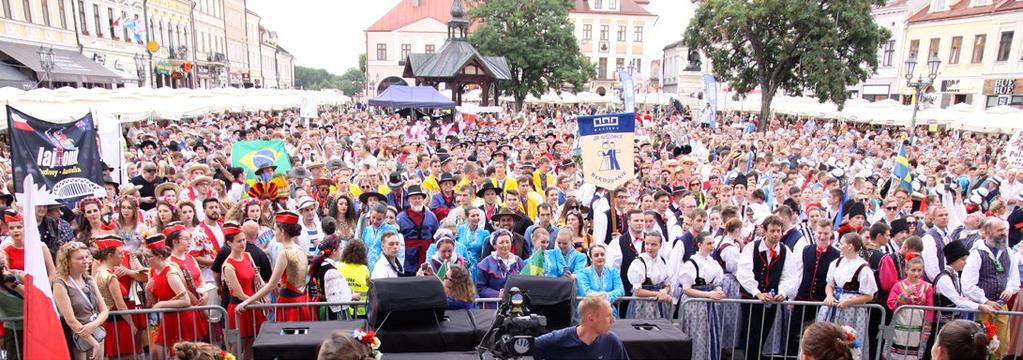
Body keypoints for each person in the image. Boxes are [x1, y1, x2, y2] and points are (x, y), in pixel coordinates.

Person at [736, 215, 800, 359]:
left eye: (779, 231)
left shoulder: (785, 251)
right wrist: (757, 293)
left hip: (771, 300)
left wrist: (783, 292)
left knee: (764, 332)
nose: (776, 234)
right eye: (772, 231)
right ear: (764, 231)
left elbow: (789, 276)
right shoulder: (752, 247)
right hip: (751, 299)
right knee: (752, 334)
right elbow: (744, 273)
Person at [236, 210, 315, 322]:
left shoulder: (284, 253)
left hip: (290, 304)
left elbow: (271, 285)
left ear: (282, 231)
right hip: (302, 300)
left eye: (276, 229)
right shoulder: (299, 249)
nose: (274, 232)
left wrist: (247, 302)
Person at [142, 233, 207, 359]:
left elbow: (186, 300)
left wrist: (162, 304)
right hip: (167, 319)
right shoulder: (152, 271)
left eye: (148, 257)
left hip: (182, 318)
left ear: (159, 256)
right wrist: (148, 291)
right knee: (158, 352)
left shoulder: (170, 273)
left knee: (184, 355)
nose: (145, 260)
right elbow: (153, 302)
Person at [960, 217, 1018, 358]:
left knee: (1003, 344)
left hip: (1001, 306)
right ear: (987, 232)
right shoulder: (977, 254)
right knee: (980, 344)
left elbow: (1014, 277)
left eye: (1004, 229)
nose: (1004, 232)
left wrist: (1009, 290)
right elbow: (967, 284)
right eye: (999, 230)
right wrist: (985, 300)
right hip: (982, 308)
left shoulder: (1008, 252)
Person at [816, 233, 877, 360]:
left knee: (848, 342)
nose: (839, 245)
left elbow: (869, 296)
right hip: (833, 306)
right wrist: (829, 296)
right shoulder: (836, 263)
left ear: (850, 246)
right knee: (827, 340)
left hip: (853, 311)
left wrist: (849, 302)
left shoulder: (863, 267)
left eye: (842, 243)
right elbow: (829, 284)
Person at [786, 219, 840, 356]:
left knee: (818, 337)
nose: (822, 237)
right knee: (795, 334)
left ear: (831, 234)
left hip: (821, 301)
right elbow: (797, 274)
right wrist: (792, 299)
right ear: (815, 233)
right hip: (802, 298)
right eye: (820, 233)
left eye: (826, 234)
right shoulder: (806, 250)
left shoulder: (836, 254)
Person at [53, 241, 109, 360]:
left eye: (86, 257)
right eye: (80, 258)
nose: (86, 261)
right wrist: (91, 341)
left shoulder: (89, 280)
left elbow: (104, 310)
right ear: (67, 262)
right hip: (77, 338)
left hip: (96, 332)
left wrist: (93, 325)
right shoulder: (60, 284)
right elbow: (71, 320)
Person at [532, 293, 629, 360]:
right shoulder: (559, 339)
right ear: (591, 318)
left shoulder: (612, 342)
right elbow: (525, 348)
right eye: (608, 315)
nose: (613, 320)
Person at [220, 222, 266, 359]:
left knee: (251, 346)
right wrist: (258, 303)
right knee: (235, 349)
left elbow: (256, 280)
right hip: (239, 307)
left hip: (252, 303)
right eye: (239, 241)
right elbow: (239, 293)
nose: (243, 243)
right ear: (229, 243)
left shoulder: (247, 256)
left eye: (244, 240)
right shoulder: (228, 265)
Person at [92, 235, 142, 358]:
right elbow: (120, 306)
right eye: (120, 253)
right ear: (110, 256)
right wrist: (132, 324)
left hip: (109, 323)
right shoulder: (111, 276)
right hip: (119, 325)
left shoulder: (99, 273)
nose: (123, 255)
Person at [679, 231, 726, 360]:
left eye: (713, 243)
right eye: (708, 243)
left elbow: (715, 283)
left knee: (710, 334)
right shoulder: (691, 264)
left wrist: (718, 290)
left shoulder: (712, 262)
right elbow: (686, 289)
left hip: (708, 305)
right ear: (700, 244)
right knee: (697, 335)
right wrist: (708, 294)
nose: (712, 246)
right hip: (695, 305)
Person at [885, 253, 933, 360]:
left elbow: (929, 310)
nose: (916, 273)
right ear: (906, 270)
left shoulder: (927, 287)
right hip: (901, 324)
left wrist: (926, 329)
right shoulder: (898, 285)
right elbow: (891, 305)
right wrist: (905, 294)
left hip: (918, 326)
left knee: (913, 354)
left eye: (919, 270)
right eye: (913, 270)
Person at [626, 231, 672, 319]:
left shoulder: (663, 261)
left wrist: (664, 291)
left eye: (654, 245)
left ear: (660, 245)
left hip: (660, 304)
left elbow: (667, 284)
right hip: (642, 305)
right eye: (647, 244)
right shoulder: (639, 262)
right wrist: (658, 294)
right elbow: (638, 291)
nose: (649, 248)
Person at [309, 237, 353, 320]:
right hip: (331, 311)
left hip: (324, 306)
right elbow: (335, 298)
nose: (341, 251)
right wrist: (352, 296)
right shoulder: (331, 271)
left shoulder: (321, 264)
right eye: (340, 249)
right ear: (334, 252)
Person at [575, 244, 624, 317]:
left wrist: (607, 296)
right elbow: (585, 292)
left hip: (609, 313)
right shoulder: (582, 273)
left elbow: (620, 290)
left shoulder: (613, 271)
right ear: (591, 258)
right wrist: (604, 296)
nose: (600, 257)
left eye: (602, 254)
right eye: (596, 255)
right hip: (589, 312)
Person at [475, 229, 524, 299]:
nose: (505, 245)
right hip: (494, 305)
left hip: (515, 303)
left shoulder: (518, 261)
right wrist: (497, 294)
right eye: (501, 242)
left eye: (508, 242)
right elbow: (480, 288)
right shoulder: (486, 263)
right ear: (494, 245)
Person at [336, 239, 370, 318]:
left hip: (344, 308)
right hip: (360, 309)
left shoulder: (339, 267)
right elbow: (369, 286)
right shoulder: (365, 269)